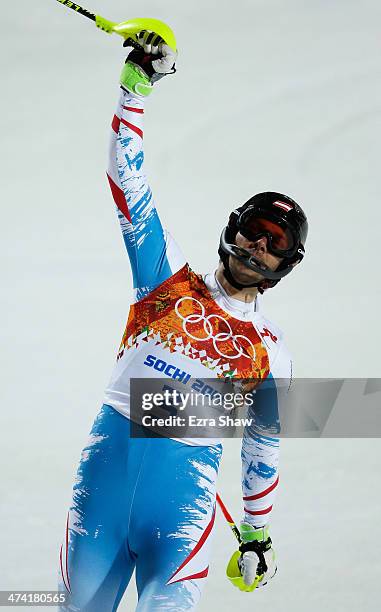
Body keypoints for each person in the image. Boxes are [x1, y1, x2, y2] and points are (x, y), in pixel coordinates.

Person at [58, 31, 308, 611]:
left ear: (285, 266)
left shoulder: (272, 355)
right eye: (254, 228)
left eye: (276, 244)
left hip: (182, 508)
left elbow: (262, 451)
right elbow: (127, 182)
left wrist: (256, 533)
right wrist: (136, 86)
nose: (258, 246)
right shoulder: (164, 282)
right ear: (231, 228)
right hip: (104, 483)